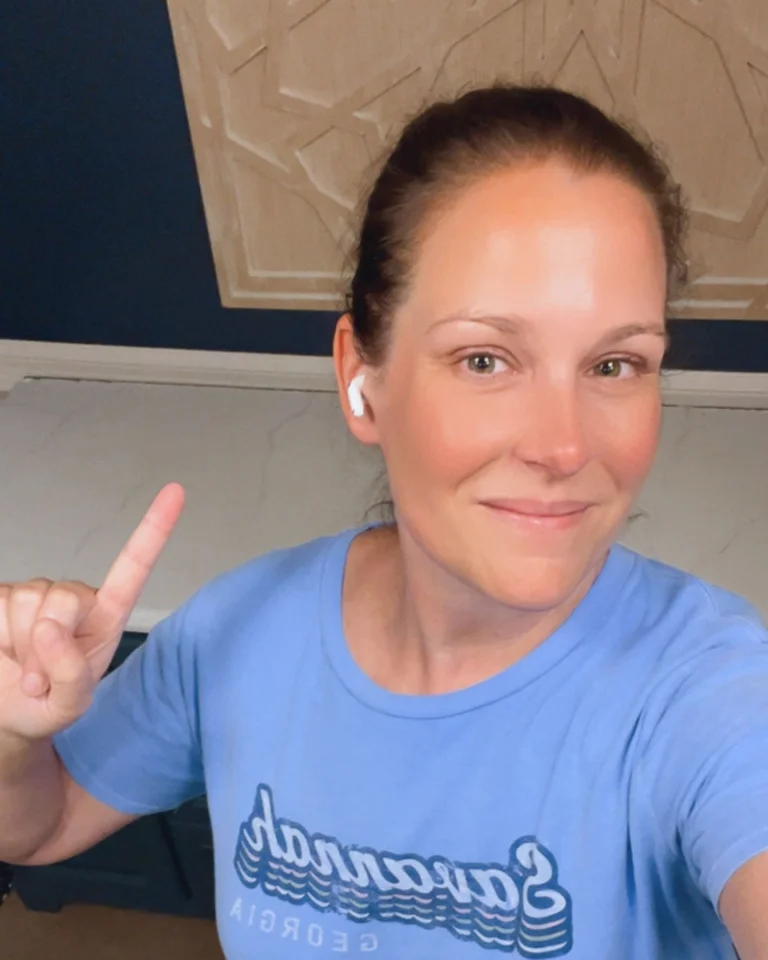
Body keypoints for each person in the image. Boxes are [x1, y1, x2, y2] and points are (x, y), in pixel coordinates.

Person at [0, 83, 766, 960]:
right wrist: (10, 736)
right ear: (363, 379)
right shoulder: (238, 632)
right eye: (486, 358)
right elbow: (43, 822)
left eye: (617, 364)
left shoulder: (706, 693)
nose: (564, 445)